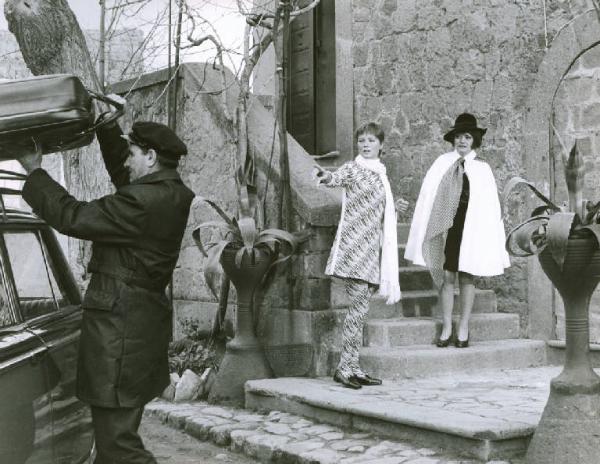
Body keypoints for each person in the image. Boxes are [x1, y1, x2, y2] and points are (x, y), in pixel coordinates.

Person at [17, 98, 194, 464]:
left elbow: (73, 217)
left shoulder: (143, 202)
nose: (125, 161)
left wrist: (35, 172)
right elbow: (124, 174)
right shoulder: (167, 191)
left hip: (121, 337)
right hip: (133, 331)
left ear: (149, 157)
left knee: (118, 448)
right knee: (111, 444)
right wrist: (106, 127)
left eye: (131, 153)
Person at [314, 122, 408, 389]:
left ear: (381, 145)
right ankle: (346, 368)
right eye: (362, 141)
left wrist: (395, 206)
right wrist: (324, 176)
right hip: (353, 249)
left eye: (371, 141)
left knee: (360, 311)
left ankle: (352, 367)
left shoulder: (381, 175)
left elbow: (379, 212)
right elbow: (335, 179)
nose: (365, 145)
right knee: (357, 310)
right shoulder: (352, 169)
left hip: (369, 251)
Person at [404, 113, 509, 348]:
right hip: (447, 226)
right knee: (447, 274)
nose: (462, 141)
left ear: (475, 141)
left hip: (470, 227)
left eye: (467, 137)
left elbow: (489, 205)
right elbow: (428, 198)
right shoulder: (442, 164)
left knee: (467, 275)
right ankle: (447, 325)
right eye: (459, 137)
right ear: (453, 139)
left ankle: (463, 327)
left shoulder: (482, 170)